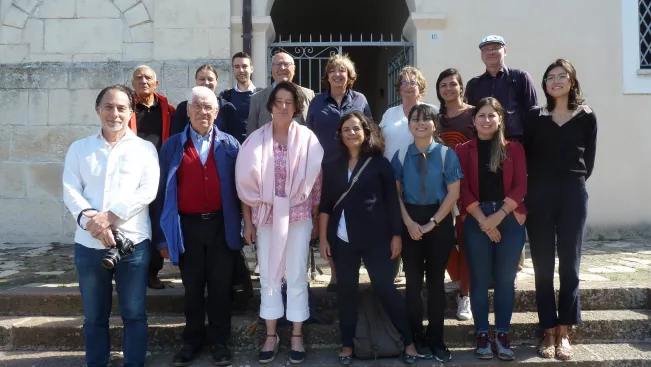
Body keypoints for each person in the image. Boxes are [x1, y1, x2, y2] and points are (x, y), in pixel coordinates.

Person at [63, 85, 160, 367]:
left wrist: (111, 216)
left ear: (131, 113)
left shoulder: (145, 149)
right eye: (108, 107)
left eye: (121, 108)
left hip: (133, 245)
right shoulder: (79, 148)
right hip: (89, 243)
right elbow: (71, 190)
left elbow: (147, 190)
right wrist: (94, 221)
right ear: (98, 110)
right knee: (94, 316)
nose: (114, 113)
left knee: (134, 313)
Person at [319, 111, 419, 365]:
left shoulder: (380, 164)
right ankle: (347, 344)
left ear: (366, 132)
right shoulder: (332, 165)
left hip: (376, 237)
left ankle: (408, 341)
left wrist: (396, 235)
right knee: (346, 292)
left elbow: (391, 202)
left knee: (386, 289)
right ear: (340, 135)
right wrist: (323, 238)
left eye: (356, 128)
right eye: (346, 130)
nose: (351, 133)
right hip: (343, 238)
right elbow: (325, 206)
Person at [236, 81, 323, 364]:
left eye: (289, 102)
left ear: (297, 108)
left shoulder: (308, 139)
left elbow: (317, 185)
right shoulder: (255, 140)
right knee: (269, 275)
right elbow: (245, 187)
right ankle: (271, 334)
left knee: (297, 274)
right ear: (270, 106)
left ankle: (297, 333)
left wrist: (314, 218)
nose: (284, 106)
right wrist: (247, 222)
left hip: (298, 216)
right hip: (267, 218)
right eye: (279, 101)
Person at [155, 86, 243, 366]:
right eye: (198, 106)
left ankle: (219, 342)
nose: (203, 112)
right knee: (192, 288)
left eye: (209, 107)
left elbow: (243, 190)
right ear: (188, 110)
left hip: (221, 226)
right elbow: (160, 195)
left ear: (217, 112)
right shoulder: (171, 146)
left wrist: (245, 226)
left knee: (220, 288)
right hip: (187, 228)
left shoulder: (231, 145)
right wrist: (162, 239)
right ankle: (191, 341)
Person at [523, 59, 597, 361]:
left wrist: (571, 182)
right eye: (550, 77)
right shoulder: (535, 117)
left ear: (572, 81)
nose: (556, 81)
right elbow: (525, 157)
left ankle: (565, 329)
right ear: (545, 84)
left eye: (562, 76)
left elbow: (588, 161)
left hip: (572, 192)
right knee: (542, 266)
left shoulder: (586, 117)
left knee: (570, 265)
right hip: (539, 193)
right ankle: (548, 329)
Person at [456, 97, 527, 361]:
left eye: (491, 116)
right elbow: (461, 188)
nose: (486, 120)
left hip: (508, 217)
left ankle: (502, 334)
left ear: (500, 120)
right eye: (481, 116)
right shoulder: (462, 150)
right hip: (476, 217)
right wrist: (484, 220)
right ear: (473, 121)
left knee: (506, 280)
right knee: (479, 279)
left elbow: (521, 186)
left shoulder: (515, 149)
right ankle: (483, 334)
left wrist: (497, 217)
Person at [391, 104, 462, 362]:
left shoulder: (446, 155)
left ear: (435, 124)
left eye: (426, 119)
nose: (420, 123)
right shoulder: (399, 156)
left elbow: (453, 193)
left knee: (435, 283)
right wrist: (408, 223)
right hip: (409, 218)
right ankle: (416, 337)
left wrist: (432, 223)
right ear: (409, 125)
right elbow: (395, 195)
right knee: (412, 283)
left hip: (439, 221)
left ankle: (436, 338)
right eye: (415, 119)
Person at [465, 35, 536, 276]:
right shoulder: (474, 85)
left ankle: (512, 266)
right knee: (487, 199)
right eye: (486, 49)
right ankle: (490, 266)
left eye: (496, 48)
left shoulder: (520, 78)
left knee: (513, 205)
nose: (491, 52)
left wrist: (526, 153)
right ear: (481, 54)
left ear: (505, 50)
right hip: (483, 151)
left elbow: (532, 116)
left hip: (513, 150)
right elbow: (470, 118)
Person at [306, 53, 373, 292]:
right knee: (332, 221)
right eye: (333, 70)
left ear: (350, 76)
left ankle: (356, 267)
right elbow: (308, 136)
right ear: (327, 76)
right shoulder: (316, 102)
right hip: (326, 171)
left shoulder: (360, 100)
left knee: (356, 217)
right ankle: (335, 272)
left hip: (354, 169)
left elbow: (369, 131)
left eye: (342, 71)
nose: (337, 74)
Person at [129, 65, 176, 290]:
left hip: (159, 174)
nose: (143, 81)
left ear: (156, 83)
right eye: (138, 78)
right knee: (133, 223)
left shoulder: (168, 110)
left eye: (148, 77)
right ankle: (130, 271)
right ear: (132, 83)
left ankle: (152, 273)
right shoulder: (126, 108)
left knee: (157, 223)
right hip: (132, 176)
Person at [435, 68, 476, 321]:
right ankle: (461, 279)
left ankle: (465, 295)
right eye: (443, 85)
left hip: (468, 187)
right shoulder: (436, 118)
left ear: (461, 86)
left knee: (466, 240)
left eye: (453, 84)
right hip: (439, 189)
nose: (448, 89)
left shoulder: (473, 114)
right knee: (444, 241)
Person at [380, 66, 438, 162]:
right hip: (389, 172)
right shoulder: (389, 113)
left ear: (420, 86)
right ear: (399, 88)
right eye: (405, 83)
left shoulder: (433, 110)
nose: (408, 86)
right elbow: (380, 142)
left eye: (413, 83)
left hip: (421, 171)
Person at [247, 52, 315, 134]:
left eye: (286, 64)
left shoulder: (308, 95)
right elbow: (251, 134)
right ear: (271, 69)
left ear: (294, 69)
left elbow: (314, 129)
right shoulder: (257, 99)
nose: (282, 68)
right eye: (278, 64)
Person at [170, 64, 238, 138]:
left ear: (216, 82)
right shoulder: (183, 108)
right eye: (202, 79)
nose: (206, 83)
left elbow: (234, 139)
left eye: (210, 79)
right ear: (196, 81)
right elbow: (176, 138)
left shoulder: (227, 108)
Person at [219, 51, 264, 143]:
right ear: (233, 70)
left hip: (256, 147)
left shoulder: (263, 95)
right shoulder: (225, 96)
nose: (241, 70)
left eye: (244, 66)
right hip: (231, 149)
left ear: (252, 69)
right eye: (237, 67)